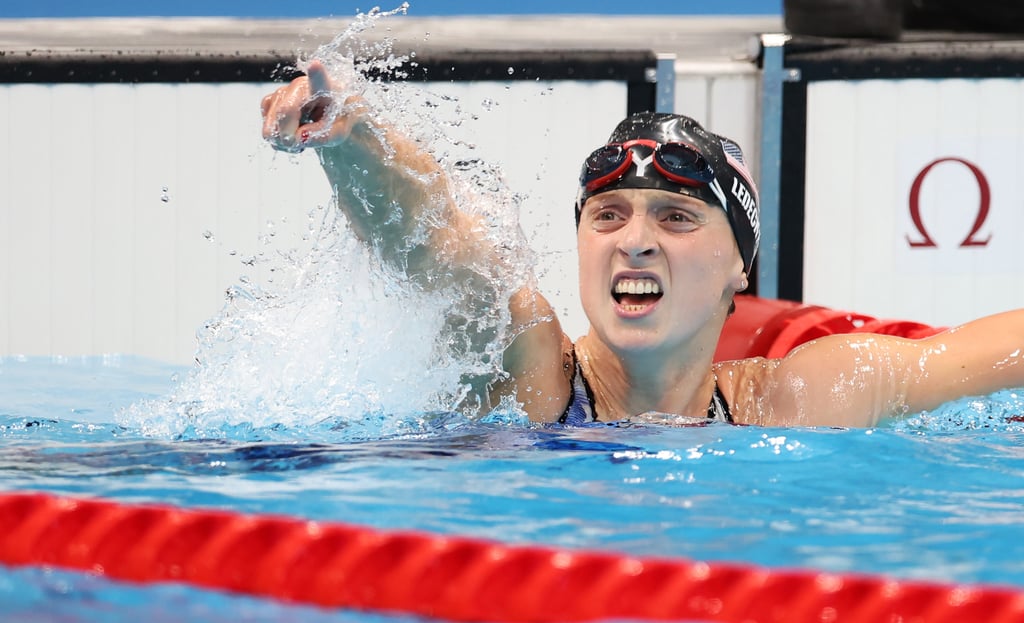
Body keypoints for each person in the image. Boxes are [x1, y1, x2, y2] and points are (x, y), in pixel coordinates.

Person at [261, 60, 1024, 428]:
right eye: (609, 215)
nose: (635, 243)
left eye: (677, 217)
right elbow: (438, 248)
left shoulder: (801, 397)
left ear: (739, 270)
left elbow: (971, 356)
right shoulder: (539, 383)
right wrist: (354, 136)